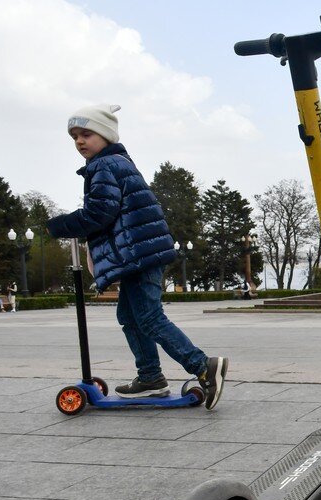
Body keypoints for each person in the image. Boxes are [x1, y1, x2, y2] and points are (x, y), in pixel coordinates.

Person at [46, 104, 228, 409]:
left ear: (105, 134)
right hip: (135, 253)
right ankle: (151, 379)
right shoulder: (113, 163)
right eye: (75, 136)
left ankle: (203, 366)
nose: (79, 141)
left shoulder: (105, 166)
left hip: (139, 254)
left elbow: (100, 212)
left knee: (147, 316)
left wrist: (60, 225)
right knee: (130, 316)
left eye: (86, 134)